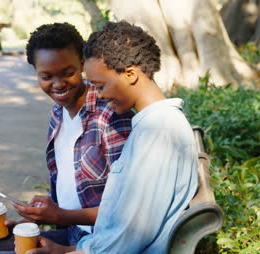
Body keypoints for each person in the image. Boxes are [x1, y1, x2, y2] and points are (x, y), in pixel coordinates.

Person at [0, 22, 133, 254]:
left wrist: (59, 216)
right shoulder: (58, 114)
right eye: (46, 76)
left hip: (100, 239)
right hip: (70, 229)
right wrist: (32, 220)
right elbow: (71, 185)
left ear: (82, 63)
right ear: (36, 73)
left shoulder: (110, 115)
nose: (58, 84)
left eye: (68, 73)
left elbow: (127, 208)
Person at [31, 20, 199, 254]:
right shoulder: (149, 125)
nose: (98, 94)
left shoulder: (159, 131)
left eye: (100, 85)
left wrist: (69, 252)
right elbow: (119, 219)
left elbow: (132, 232)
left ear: (130, 74)